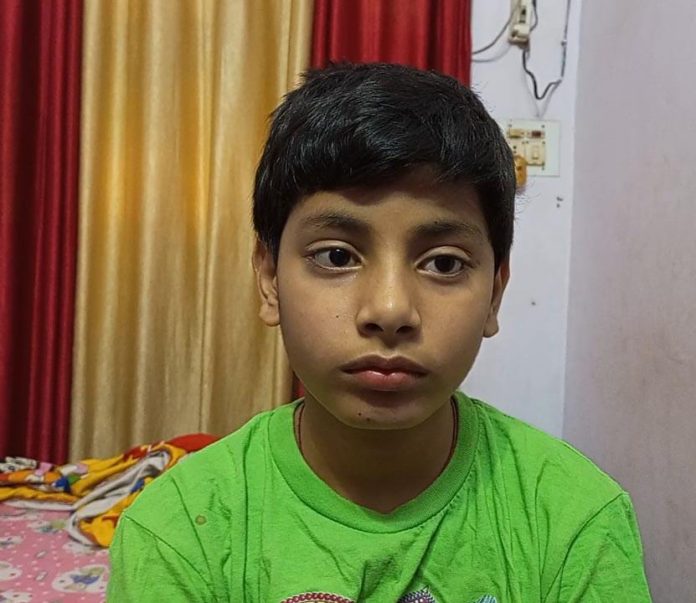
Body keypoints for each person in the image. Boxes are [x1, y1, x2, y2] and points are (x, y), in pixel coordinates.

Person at [107, 63, 652, 602]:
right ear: (270, 279)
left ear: (494, 293)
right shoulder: (179, 532)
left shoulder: (575, 521)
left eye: (443, 263)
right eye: (337, 256)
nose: (390, 310)